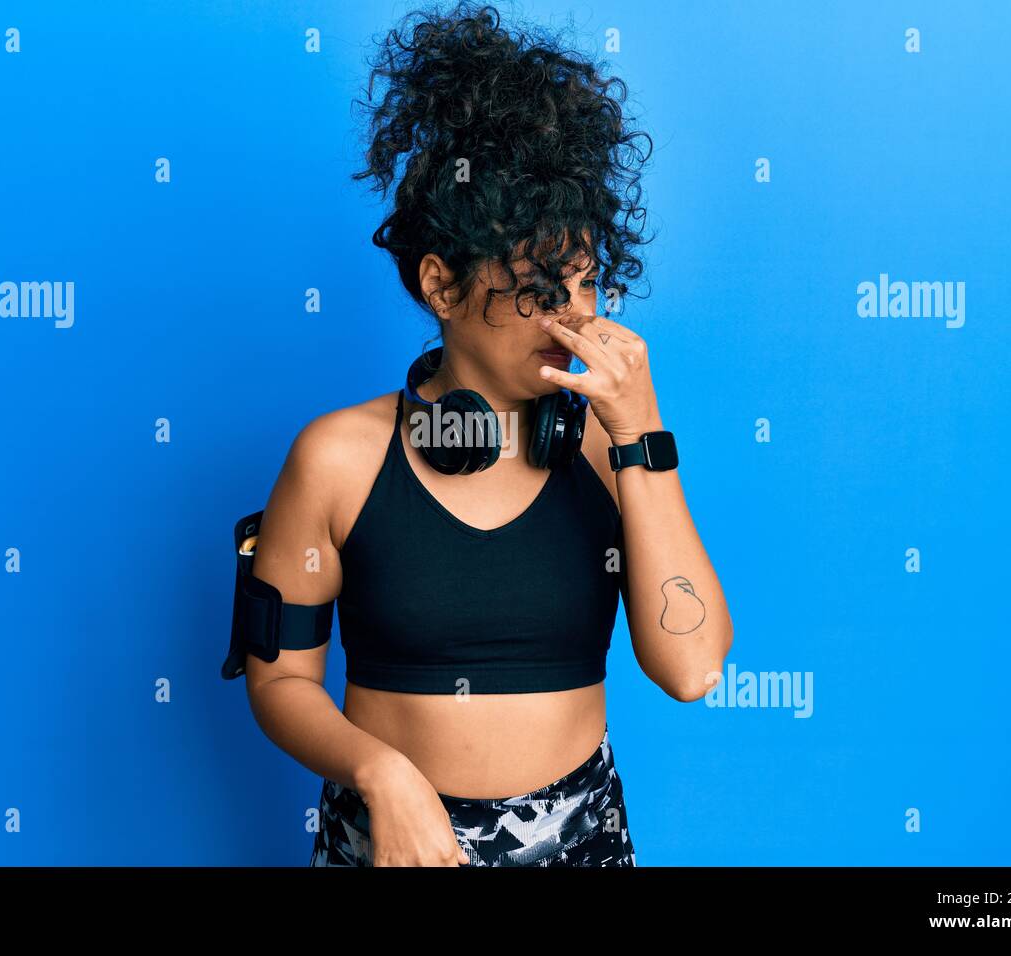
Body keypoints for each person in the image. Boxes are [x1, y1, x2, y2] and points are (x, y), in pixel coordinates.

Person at [241, 1, 733, 866]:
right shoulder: (336, 460)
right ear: (441, 285)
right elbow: (279, 679)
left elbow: (691, 670)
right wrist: (382, 773)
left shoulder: (605, 448)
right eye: (540, 288)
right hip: (390, 843)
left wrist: (642, 436)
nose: (572, 318)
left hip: (583, 841)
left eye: (585, 284)